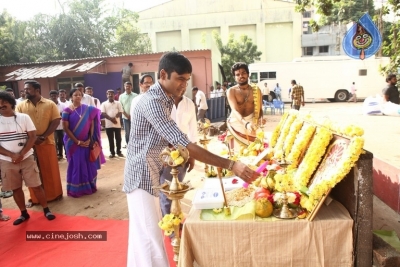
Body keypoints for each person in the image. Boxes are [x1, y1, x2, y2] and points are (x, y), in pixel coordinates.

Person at [123, 52, 257, 267]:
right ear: (164, 74)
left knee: (147, 236)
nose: (184, 85)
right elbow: (181, 142)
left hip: (155, 172)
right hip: (141, 176)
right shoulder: (152, 102)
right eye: (180, 79)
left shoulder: (168, 99)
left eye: (187, 80)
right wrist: (231, 165)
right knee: (149, 238)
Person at [0, 91, 56, 225]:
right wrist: (12, 155)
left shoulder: (23, 118)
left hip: (27, 158)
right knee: (16, 188)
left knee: (36, 185)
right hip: (7, 161)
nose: (1, 105)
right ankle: (23, 213)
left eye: (4, 102)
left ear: (11, 103)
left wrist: (21, 154)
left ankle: (46, 210)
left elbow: (32, 137)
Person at [16, 80, 63, 208]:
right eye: (25, 89)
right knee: (32, 172)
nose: (25, 91)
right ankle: (35, 198)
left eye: (28, 89)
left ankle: (55, 195)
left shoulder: (50, 104)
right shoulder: (20, 106)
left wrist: (43, 136)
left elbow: (56, 120)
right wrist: (32, 138)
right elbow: (18, 123)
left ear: (37, 90)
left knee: (50, 170)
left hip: (47, 142)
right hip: (28, 144)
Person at [159, 86, 198, 217]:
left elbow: (193, 130)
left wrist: (192, 156)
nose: (182, 87)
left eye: (185, 83)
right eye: (179, 82)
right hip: (165, 151)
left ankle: (176, 221)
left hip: (183, 152)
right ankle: (169, 226)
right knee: (167, 191)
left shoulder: (189, 103)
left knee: (177, 190)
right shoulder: (162, 103)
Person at [62, 88, 105, 197]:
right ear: (71, 97)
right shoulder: (67, 111)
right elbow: (66, 129)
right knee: (76, 164)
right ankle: (76, 189)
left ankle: (89, 186)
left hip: (86, 141)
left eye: (80, 95)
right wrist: (78, 142)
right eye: (75, 95)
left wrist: (90, 139)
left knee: (87, 163)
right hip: (73, 143)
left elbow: (92, 124)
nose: (78, 97)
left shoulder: (88, 109)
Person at [226, 62, 264, 147]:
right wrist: (245, 124)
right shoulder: (231, 91)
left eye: (243, 73)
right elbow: (234, 110)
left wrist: (260, 119)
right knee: (238, 152)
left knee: (254, 151)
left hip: (252, 123)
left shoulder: (257, 90)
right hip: (237, 122)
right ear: (234, 77)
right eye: (237, 74)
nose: (241, 76)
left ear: (248, 74)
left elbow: (260, 109)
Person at [101, 90, 123, 158]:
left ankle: (119, 151)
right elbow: (103, 113)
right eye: (109, 94)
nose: (110, 95)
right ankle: (112, 153)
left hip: (117, 124)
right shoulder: (104, 104)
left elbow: (120, 112)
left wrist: (115, 118)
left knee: (118, 138)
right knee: (111, 139)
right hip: (108, 125)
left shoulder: (118, 103)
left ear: (114, 95)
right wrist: (111, 119)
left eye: (112, 94)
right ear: (106, 95)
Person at [49, 90, 67, 160]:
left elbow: (65, 114)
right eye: (52, 96)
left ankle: (66, 154)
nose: (54, 97)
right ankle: (57, 155)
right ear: (50, 97)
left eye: (55, 96)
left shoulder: (63, 105)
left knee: (63, 141)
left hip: (62, 126)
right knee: (55, 142)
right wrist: (59, 115)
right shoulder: (48, 105)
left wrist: (58, 115)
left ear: (57, 96)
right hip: (53, 127)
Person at [119, 82, 137, 146]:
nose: (128, 87)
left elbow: (137, 106)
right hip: (125, 117)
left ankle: (134, 144)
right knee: (127, 132)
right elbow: (121, 107)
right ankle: (128, 145)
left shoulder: (135, 95)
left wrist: (132, 115)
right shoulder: (121, 96)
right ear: (124, 87)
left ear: (131, 87)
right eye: (126, 86)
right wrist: (127, 115)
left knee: (134, 131)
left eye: (129, 86)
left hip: (134, 117)